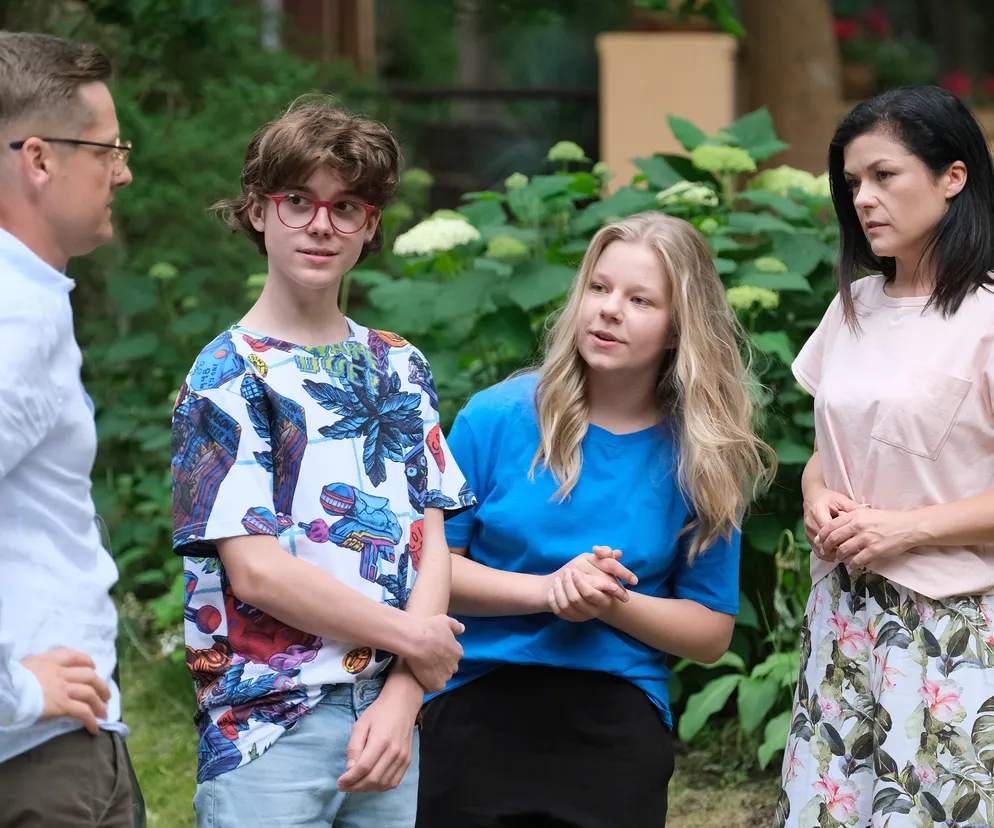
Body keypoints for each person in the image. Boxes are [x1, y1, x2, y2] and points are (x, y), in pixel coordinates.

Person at [415, 211, 775, 828]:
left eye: (640, 300)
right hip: (479, 690)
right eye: (599, 287)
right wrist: (550, 590)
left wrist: (608, 600)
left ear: (678, 328)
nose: (609, 310)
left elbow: (711, 632)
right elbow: (430, 569)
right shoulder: (494, 417)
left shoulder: (703, 455)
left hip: (616, 707)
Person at [171, 99, 474, 828]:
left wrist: (405, 694)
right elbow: (257, 572)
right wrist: (415, 642)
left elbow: (431, 542)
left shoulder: (400, 365)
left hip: (388, 718)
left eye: (346, 208)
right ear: (258, 210)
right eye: (298, 201)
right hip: (268, 726)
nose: (321, 225)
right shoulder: (227, 374)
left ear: (370, 225)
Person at [775, 85, 994, 828]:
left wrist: (907, 529)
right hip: (844, 615)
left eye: (883, 175)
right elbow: (828, 450)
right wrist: (816, 496)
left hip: (954, 625)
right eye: (852, 182)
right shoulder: (854, 306)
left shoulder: (987, 316)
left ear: (953, 176)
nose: (862, 198)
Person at [0, 30, 141, 828]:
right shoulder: (16, 320)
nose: (123, 170)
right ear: (39, 160)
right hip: (35, 759)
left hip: (66, 740)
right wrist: (16, 692)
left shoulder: (29, 301)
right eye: (107, 148)